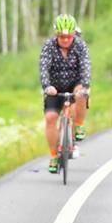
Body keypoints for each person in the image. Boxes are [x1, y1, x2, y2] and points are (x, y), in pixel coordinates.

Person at [40, 14, 91, 173]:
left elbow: (85, 67)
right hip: (54, 87)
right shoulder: (48, 46)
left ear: (73, 34)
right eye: (62, 37)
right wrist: (47, 86)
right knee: (50, 118)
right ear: (56, 35)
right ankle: (54, 156)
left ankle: (79, 125)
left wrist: (85, 85)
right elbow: (44, 68)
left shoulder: (80, 46)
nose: (66, 40)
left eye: (68, 37)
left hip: (75, 83)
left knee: (81, 93)